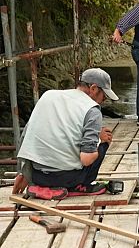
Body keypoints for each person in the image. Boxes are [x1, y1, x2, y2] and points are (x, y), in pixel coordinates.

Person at [16, 68, 118, 200]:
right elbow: (86, 159)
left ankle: (41, 187)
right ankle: (79, 186)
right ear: (93, 88)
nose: (103, 101)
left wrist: (22, 172)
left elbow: (26, 136)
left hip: (37, 176)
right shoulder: (92, 110)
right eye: (103, 96)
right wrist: (100, 141)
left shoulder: (48, 95)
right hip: (66, 179)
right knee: (105, 140)